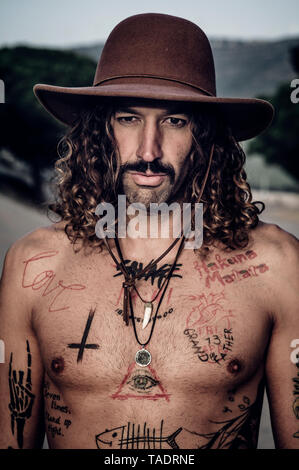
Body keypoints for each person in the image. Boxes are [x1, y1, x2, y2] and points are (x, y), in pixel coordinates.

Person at [0, 12, 298, 450]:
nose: (148, 151)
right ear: (98, 130)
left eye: (175, 121)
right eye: (128, 118)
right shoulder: (33, 265)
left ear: (206, 135)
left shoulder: (278, 264)